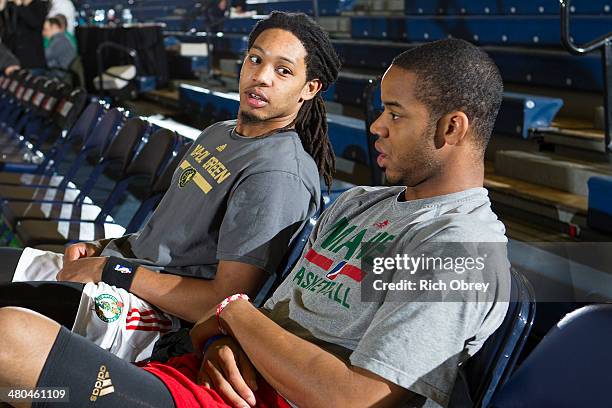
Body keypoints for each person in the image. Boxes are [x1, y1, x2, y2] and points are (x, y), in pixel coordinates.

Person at [0, 38, 510, 408]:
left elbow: (353, 399)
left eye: (395, 114)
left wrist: (234, 317)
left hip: (245, 399)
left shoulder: (460, 249)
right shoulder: (359, 205)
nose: (377, 125)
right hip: (208, 374)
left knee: (9, 341)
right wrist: (224, 339)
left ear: (451, 127)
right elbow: (264, 316)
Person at [0, 11, 340, 362]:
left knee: (7, 325)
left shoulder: (278, 173)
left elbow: (224, 302)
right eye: (255, 59)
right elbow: (167, 237)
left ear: (309, 88)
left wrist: (112, 270)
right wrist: (99, 248)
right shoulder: (218, 133)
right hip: (122, 271)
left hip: (156, 316)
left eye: (283, 70)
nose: (261, 77)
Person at [3, 0, 47, 69]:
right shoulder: (12, 7)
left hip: (32, 59)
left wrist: (20, 6)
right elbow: (7, 28)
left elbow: (34, 22)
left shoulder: (39, 5)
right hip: (14, 59)